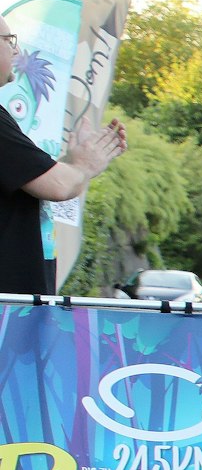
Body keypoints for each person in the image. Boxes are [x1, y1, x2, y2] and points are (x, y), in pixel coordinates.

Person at [0, 15, 127, 295]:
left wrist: (77, 162)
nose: (16, 50)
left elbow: (53, 180)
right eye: (9, 40)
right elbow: (57, 186)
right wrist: (85, 162)